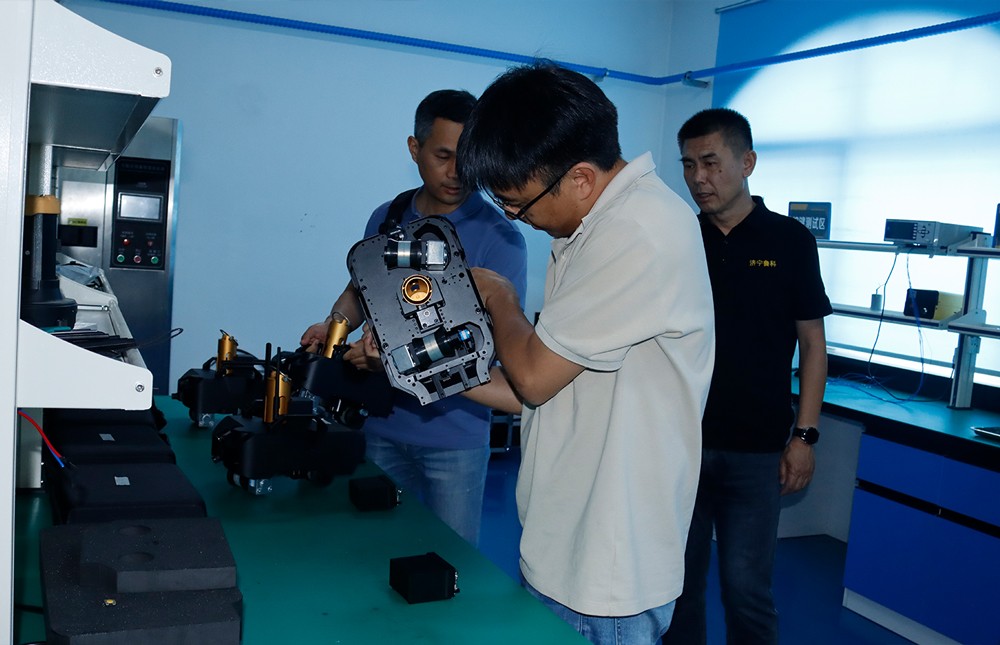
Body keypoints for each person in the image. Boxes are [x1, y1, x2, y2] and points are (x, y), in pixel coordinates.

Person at [455, 62, 715, 645]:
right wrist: (423, 370)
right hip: (566, 544)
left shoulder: (636, 231)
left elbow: (533, 375)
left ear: (578, 178)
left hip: (607, 570)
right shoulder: (592, 227)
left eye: (517, 204)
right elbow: (539, 392)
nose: (516, 218)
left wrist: (498, 296)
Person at [300, 89, 527, 546]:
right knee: (372, 551)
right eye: (443, 156)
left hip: (455, 439)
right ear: (414, 148)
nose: (457, 172)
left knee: (449, 560)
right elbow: (360, 291)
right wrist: (333, 324)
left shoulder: (500, 238)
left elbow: (492, 346)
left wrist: (396, 358)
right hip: (380, 425)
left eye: (468, 157)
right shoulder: (387, 219)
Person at [662, 108, 832, 645]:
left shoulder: (789, 241)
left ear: (747, 162)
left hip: (757, 451)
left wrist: (804, 437)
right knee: (676, 587)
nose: (698, 178)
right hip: (682, 443)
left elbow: (813, 344)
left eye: (711, 162)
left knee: (747, 590)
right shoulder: (678, 239)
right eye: (688, 164)